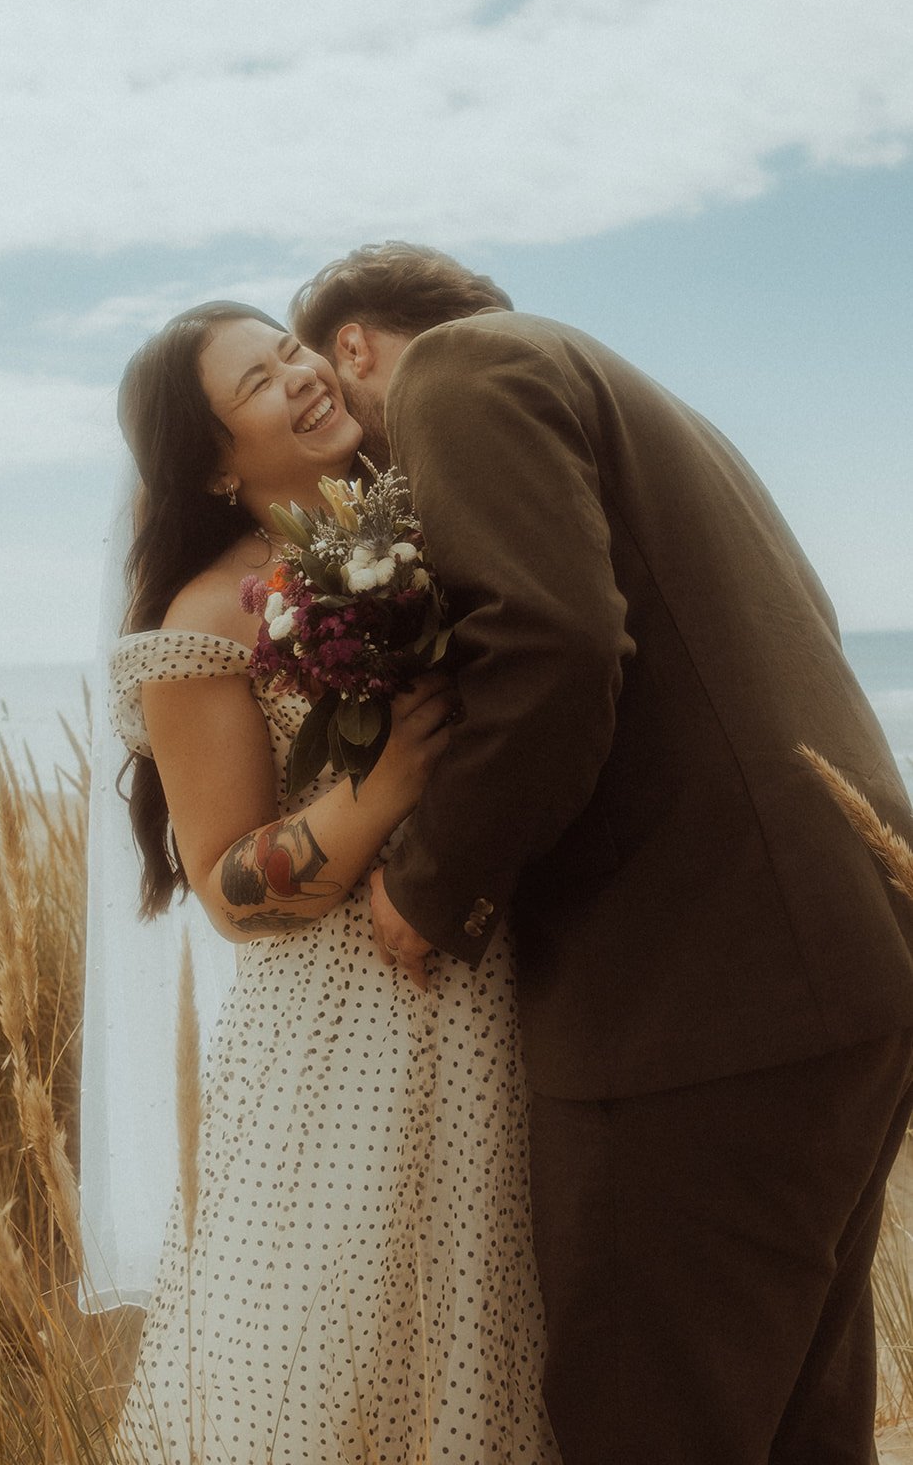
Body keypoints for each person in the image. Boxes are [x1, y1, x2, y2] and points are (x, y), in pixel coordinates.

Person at [289, 242, 913, 1465]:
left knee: (649, 1423)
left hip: (696, 1001)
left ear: (350, 345)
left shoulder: (459, 371)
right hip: (834, 971)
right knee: (794, 1429)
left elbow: (554, 645)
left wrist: (430, 883)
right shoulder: (651, 408)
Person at [102, 301, 560, 1464]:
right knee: (353, 1368)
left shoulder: (423, 514)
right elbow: (223, 886)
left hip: (512, 989)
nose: (302, 377)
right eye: (259, 381)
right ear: (210, 461)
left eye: (290, 351)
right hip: (346, 1035)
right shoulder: (208, 615)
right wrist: (386, 779)